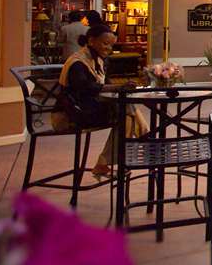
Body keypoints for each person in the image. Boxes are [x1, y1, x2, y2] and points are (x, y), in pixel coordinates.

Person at [53, 24, 146, 179]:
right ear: (91, 41)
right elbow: (85, 88)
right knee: (126, 115)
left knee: (126, 113)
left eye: (111, 45)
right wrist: (117, 88)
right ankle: (146, 138)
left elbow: (105, 86)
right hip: (70, 115)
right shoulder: (78, 62)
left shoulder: (98, 61)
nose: (108, 48)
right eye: (105, 43)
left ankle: (105, 163)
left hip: (87, 109)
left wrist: (118, 88)